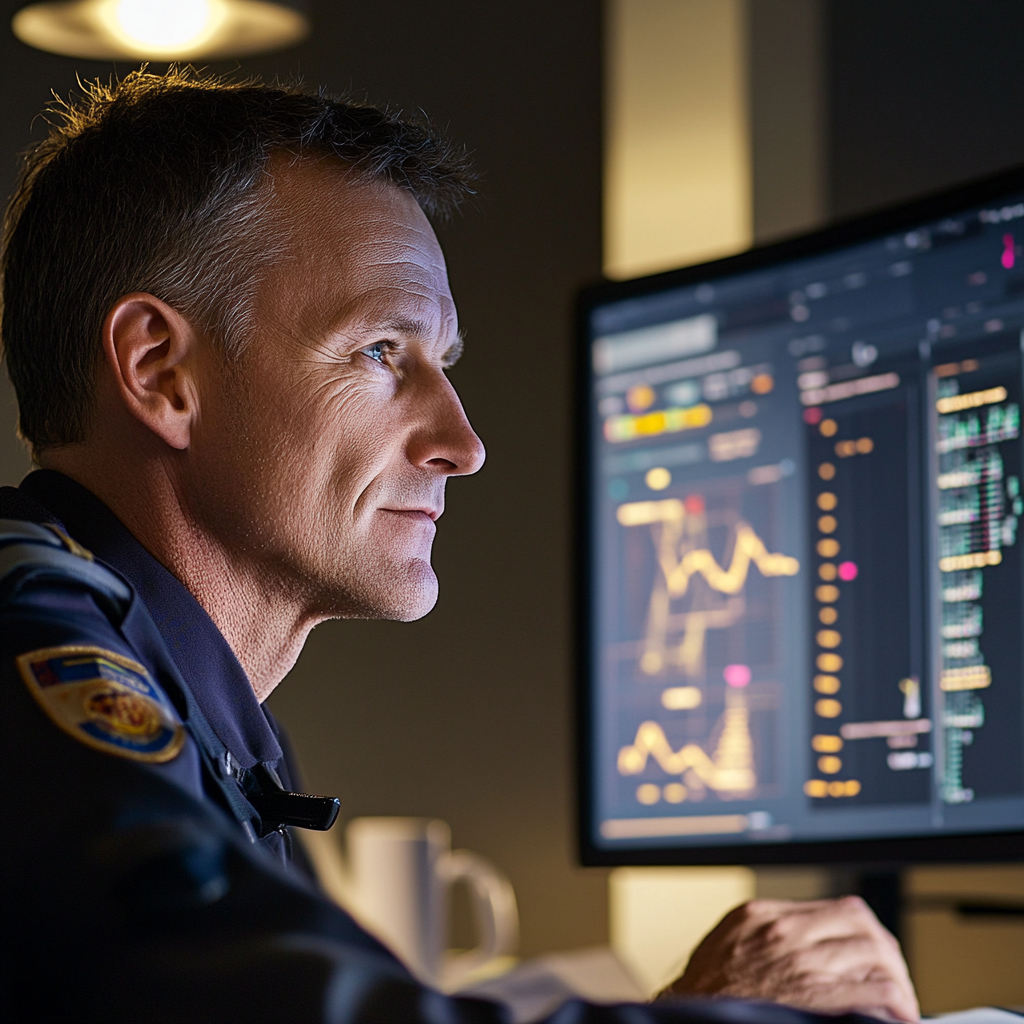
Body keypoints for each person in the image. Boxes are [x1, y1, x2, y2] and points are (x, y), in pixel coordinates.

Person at [0, 70, 918, 1023]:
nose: (464, 444)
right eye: (381, 352)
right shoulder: (31, 646)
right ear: (160, 371)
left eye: (445, 363)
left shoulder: (204, 715)